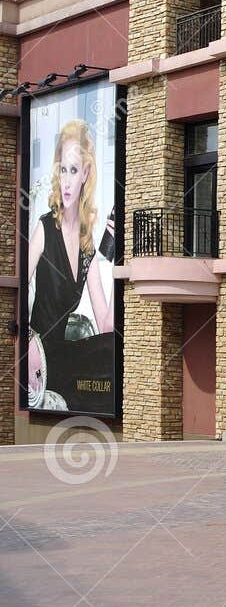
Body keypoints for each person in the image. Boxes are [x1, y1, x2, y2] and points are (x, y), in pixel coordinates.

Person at [27, 120, 114, 410]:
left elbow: (105, 323)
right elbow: (13, 294)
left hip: (63, 354)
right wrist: (27, 342)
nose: (66, 180)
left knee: (110, 346)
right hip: (38, 350)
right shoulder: (44, 228)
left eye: (73, 170)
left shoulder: (88, 243)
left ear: (86, 174)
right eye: (62, 169)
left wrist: (118, 262)